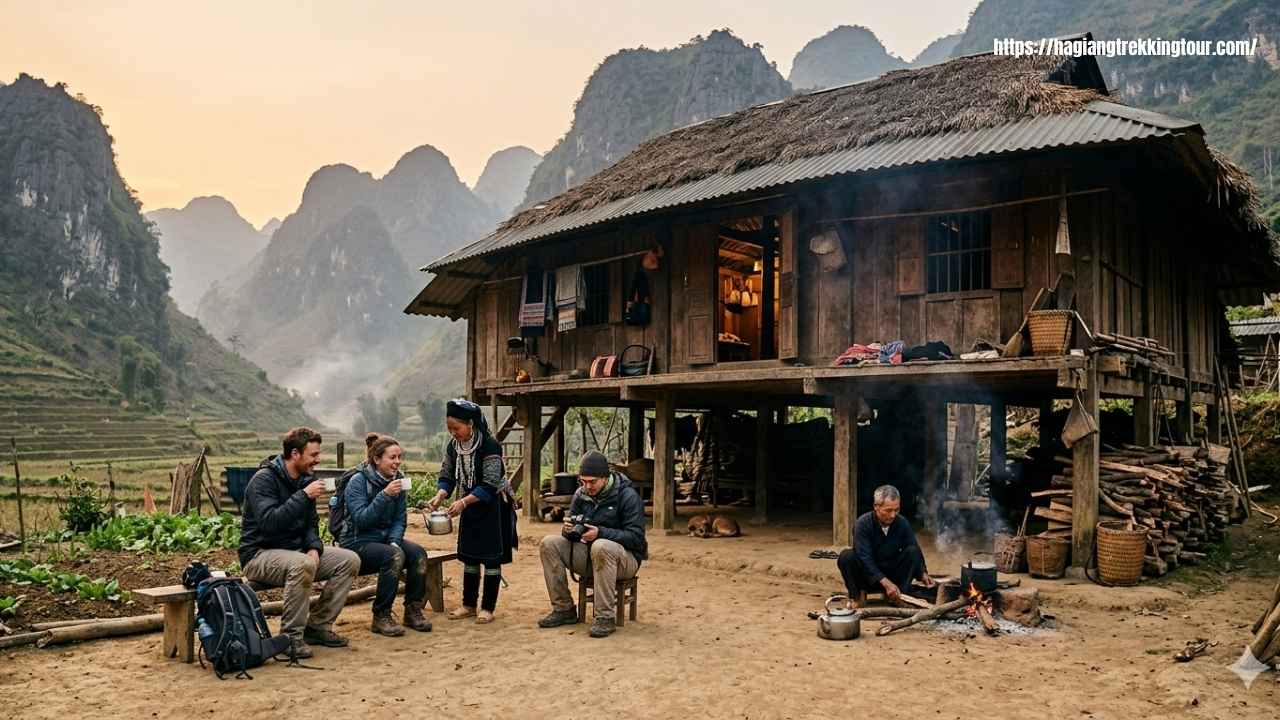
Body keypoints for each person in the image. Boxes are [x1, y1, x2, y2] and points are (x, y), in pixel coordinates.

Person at [239, 427, 361, 658]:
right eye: (313, 455)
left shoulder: (305, 479)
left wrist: (314, 547)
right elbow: (269, 523)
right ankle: (291, 639)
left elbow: (310, 524)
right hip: (259, 554)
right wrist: (303, 496)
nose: (318, 460)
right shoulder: (263, 480)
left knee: (349, 560)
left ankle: (317, 626)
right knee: (302, 564)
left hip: (296, 552)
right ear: (295, 454)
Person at [425, 399, 517, 624]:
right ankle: (468, 604)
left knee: (491, 558)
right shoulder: (453, 447)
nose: (453, 433)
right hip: (470, 505)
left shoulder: (489, 445)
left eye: (457, 428)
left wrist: (464, 503)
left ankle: (487, 608)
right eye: (449, 429)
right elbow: (447, 476)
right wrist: (440, 495)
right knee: (470, 556)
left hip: (493, 506)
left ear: (471, 424)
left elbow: (490, 483)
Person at [537, 450, 647, 638]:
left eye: (592, 481)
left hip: (625, 560)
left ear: (605, 478)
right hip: (590, 556)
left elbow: (637, 538)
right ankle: (564, 609)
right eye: (583, 481)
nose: (587, 486)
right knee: (548, 543)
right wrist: (568, 530)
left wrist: (601, 533)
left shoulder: (627, 496)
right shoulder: (580, 494)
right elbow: (573, 528)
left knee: (601, 545)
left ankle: (605, 617)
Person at [338, 433, 432, 636]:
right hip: (357, 541)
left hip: (384, 540)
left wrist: (394, 541)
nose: (397, 462)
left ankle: (413, 610)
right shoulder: (358, 481)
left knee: (418, 554)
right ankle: (381, 616)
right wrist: (385, 495)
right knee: (393, 556)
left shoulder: (397, 480)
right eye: (392, 457)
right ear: (377, 459)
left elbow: (400, 519)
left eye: (399, 457)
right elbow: (362, 519)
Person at [837, 484, 934, 604]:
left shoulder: (902, 522)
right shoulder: (862, 524)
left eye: (896, 510)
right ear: (876, 507)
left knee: (912, 552)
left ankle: (898, 595)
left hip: (893, 574)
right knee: (847, 556)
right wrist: (885, 582)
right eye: (888, 510)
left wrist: (922, 573)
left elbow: (914, 548)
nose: (893, 515)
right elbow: (864, 558)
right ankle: (857, 596)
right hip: (868, 576)